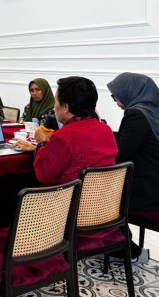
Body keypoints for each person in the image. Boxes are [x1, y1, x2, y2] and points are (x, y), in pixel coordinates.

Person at [107, 72, 159, 260]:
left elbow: (121, 153)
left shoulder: (137, 114)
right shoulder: (152, 111)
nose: (115, 99)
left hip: (146, 192)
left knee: (100, 199)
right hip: (154, 183)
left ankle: (127, 250)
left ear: (131, 91)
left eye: (116, 95)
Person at [33, 76, 117, 185]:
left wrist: (42, 142)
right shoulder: (106, 130)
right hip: (106, 193)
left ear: (66, 107)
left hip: (72, 195)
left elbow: (44, 176)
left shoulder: (64, 136)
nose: (54, 106)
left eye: (55, 101)